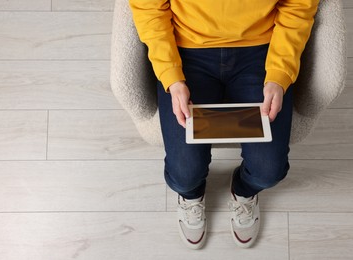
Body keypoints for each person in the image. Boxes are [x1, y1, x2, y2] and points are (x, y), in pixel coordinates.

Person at [129, 0, 319, 249]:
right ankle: (191, 194)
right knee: (184, 175)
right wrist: (171, 76)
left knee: (269, 170)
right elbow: (149, 8)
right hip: (186, 46)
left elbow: (299, 7)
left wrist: (279, 73)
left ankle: (243, 190)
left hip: (262, 48)